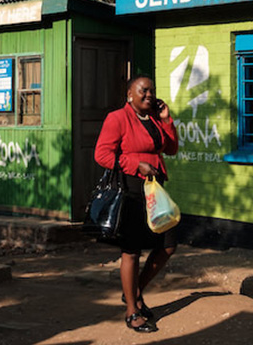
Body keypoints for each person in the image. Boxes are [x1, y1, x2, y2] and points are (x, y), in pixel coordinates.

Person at [94, 75, 179, 333]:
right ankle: (132, 311)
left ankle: (134, 291)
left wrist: (166, 119)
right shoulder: (117, 118)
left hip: (154, 190)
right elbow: (102, 154)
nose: (149, 95)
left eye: (152, 91)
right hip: (130, 190)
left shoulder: (153, 119)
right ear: (130, 94)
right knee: (131, 251)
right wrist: (135, 165)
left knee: (168, 245)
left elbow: (172, 149)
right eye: (144, 91)